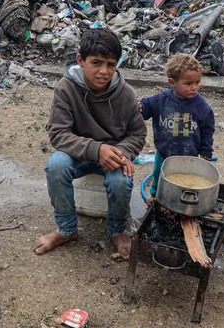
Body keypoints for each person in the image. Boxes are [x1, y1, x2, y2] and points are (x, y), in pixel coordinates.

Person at [35, 28, 146, 258]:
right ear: (80, 60)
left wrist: (122, 152)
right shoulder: (66, 88)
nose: (104, 71)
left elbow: (137, 134)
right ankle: (66, 229)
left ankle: (117, 230)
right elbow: (58, 133)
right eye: (96, 63)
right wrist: (96, 149)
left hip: (113, 155)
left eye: (110, 64)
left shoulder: (126, 93)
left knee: (121, 180)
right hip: (77, 153)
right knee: (56, 165)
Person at [139, 53, 215, 198]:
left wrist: (206, 150)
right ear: (172, 82)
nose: (194, 88)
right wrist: (140, 107)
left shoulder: (201, 106)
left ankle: (182, 202)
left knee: (186, 183)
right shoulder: (161, 99)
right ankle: (155, 198)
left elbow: (208, 129)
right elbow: (146, 107)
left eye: (197, 82)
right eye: (188, 83)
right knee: (159, 178)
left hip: (189, 157)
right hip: (164, 154)